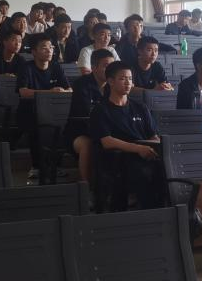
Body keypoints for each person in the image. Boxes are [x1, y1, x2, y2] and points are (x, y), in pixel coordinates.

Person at [90, 61, 164, 211]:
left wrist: (156, 147)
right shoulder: (101, 109)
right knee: (142, 173)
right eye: (123, 79)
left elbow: (153, 135)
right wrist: (138, 148)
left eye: (130, 79)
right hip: (119, 158)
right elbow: (107, 141)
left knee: (167, 168)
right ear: (110, 81)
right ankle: (150, 213)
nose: (128, 83)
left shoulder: (140, 107)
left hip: (145, 154)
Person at [15, 36, 70, 174]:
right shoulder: (26, 67)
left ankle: (56, 165)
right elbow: (23, 92)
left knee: (63, 126)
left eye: (51, 47)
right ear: (34, 52)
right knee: (36, 125)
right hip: (30, 110)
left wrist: (62, 91)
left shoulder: (56, 66)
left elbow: (69, 89)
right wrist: (49, 92)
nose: (49, 50)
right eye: (44, 48)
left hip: (53, 110)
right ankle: (36, 166)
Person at [67, 48, 114, 185]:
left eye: (112, 66)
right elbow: (86, 112)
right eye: (106, 66)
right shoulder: (81, 84)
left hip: (107, 130)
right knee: (87, 145)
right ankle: (86, 187)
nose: (110, 70)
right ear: (93, 67)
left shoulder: (113, 85)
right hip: (80, 131)